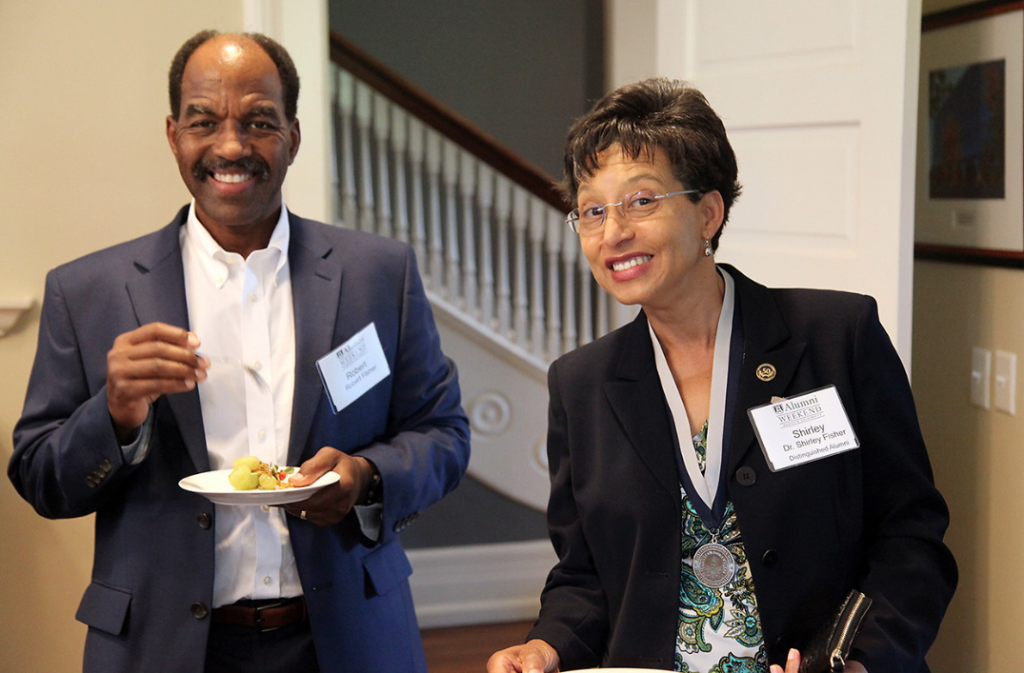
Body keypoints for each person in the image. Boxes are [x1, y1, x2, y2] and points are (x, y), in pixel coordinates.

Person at [9, 30, 469, 673]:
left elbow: (444, 434)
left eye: (258, 122)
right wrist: (113, 415)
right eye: (204, 122)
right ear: (174, 135)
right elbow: (41, 479)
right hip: (162, 647)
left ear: (293, 137)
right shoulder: (88, 291)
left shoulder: (378, 274)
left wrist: (365, 478)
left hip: (346, 638)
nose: (231, 146)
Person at [487, 79, 956, 673]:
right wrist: (545, 644)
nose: (612, 233)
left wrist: (858, 660)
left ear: (709, 212)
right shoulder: (580, 385)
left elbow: (911, 539)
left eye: (641, 201)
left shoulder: (837, 337)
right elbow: (584, 577)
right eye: (592, 210)